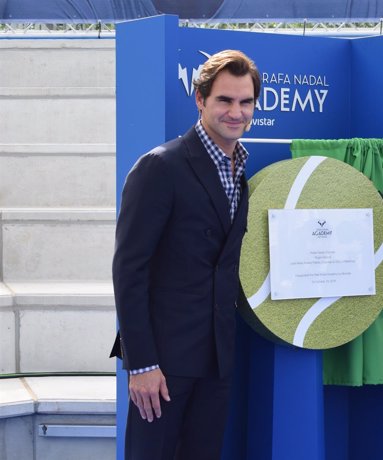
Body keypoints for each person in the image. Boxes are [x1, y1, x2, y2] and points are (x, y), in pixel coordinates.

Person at [110, 49, 260, 459]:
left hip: (216, 360)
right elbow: (129, 269)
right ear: (200, 99)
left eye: (245, 102)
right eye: (225, 100)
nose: (236, 112)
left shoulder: (240, 170)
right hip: (162, 365)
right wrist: (140, 364)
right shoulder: (160, 167)